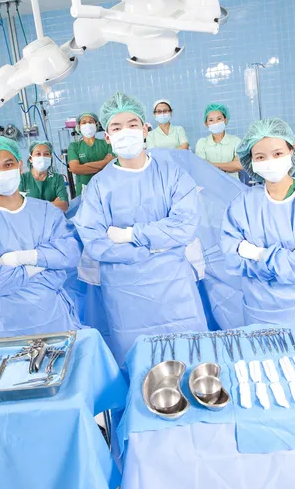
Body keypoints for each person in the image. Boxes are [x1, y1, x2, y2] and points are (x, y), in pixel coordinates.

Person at [73, 92, 207, 365]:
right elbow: (95, 241)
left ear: (145, 129)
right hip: (125, 295)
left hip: (174, 290)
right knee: (137, 366)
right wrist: (150, 249)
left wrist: (131, 236)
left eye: (132, 125)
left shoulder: (172, 174)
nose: (126, 132)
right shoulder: (99, 186)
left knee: (190, 361)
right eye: (116, 127)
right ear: (107, 137)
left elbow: (185, 226)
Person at [221, 118, 295, 326]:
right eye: (260, 156)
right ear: (252, 162)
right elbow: (231, 258)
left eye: (277, 154)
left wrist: (257, 254)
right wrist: (290, 260)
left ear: (291, 151)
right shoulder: (243, 203)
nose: (270, 161)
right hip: (257, 313)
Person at [0, 135, 81, 338]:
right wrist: (44, 261)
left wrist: (20, 260)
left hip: (53, 315)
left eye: (8, 164)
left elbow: (70, 255)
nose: (2, 172)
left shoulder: (46, 212)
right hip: (9, 324)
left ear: (20, 165)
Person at [68, 112, 114, 196]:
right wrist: (105, 163)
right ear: (79, 127)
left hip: (106, 188)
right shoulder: (74, 146)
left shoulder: (106, 143)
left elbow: (113, 165)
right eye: (84, 122)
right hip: (84, 191)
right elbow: (75, 169)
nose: (87, 124)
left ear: (96, 125)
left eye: (91, 122)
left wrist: (85, 166)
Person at [195, 103, 242, 179]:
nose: (215, 123)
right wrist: (228, 166)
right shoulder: (202, 143)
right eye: (211, 120)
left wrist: (211, 165)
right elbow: (202, 167)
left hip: (233, 185)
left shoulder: (236, 141)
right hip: (210, 186)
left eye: (219, 119)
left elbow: (238, 165)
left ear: (225, 120)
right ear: (206, 124)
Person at [19, 141, 68, 212]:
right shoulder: (22, 179)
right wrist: (53, 204)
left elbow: (64, 206)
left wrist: (33, 206)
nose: (42, 157)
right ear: (31, 159)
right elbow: (20, 208)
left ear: (50, 157)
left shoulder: (57, 178)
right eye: (38, 154)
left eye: (46, 154)